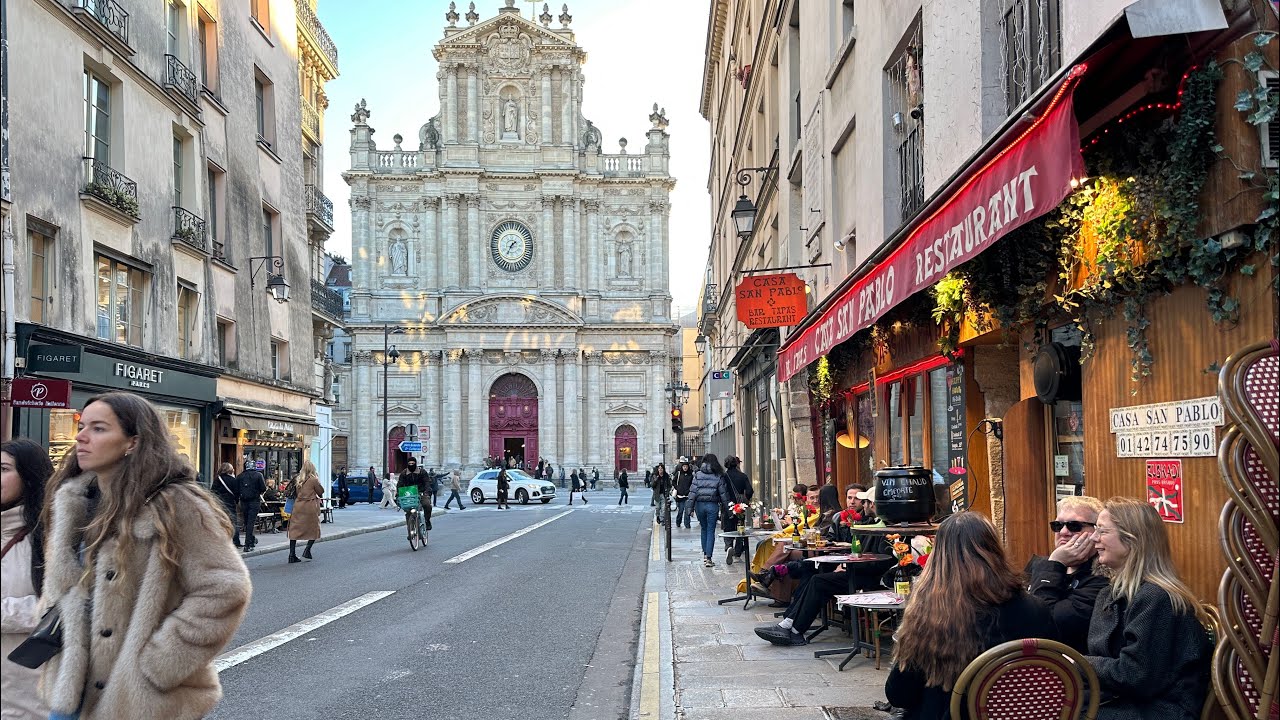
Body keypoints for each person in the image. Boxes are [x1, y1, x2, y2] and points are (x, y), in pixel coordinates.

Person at [39, 391, 251, 720]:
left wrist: (157, 664)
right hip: (73, 691)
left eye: (98, 428)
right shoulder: (75, 503)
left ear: (133, 442)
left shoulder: (175, 504)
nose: (81, 436)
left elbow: (225, 587)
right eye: (82, 426)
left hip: (139, 700)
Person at [880, 512, 1055, 719]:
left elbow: (900, 695)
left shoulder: (930, 616)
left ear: (939, 557)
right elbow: (1051, 675)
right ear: (996, 551)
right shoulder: (1036, 610)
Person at [1085, 497, 1212, 719]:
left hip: (1161, 710)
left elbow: (1136, 676)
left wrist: (1077, 662)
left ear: (1133, 540)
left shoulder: (1157, 597)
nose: (1094, 537)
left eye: (1102, 531)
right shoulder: (1111, 592)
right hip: (1124, 700)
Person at [2, 438, 54, 720]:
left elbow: (66, 609)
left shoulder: (51, 536)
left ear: (29, 476)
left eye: (2, 469)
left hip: (28, 697)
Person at [1025, 495, 1108, 652]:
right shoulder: (1041, 564)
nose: (1063, 532)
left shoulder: (1102, 578)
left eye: (1074, 526)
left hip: (1069, 667)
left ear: (1096, 532)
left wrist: (1055, 563)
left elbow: (1043, 624)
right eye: (1057, 525)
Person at [690, 453, 729, 567]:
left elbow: (692, 492)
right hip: (712, 505)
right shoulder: (718, 475)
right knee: (710, 530)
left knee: (704, 528)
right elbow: (723, 494)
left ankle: (705, 554)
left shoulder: (698, 474)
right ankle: (709, 558)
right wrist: (728, 509)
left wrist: (690, 509)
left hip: (699, 505)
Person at [287, 460, 324, 564]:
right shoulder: (313, 479)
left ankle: (291, 555)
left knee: (294, 530)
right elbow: (321, 492)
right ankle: (307, 550)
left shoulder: (298, 479)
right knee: (314, 528)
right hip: (310, 506)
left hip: (298, 506)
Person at [721, 456, 754, 564]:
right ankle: (738, 550)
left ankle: (729, 545)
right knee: (740, 526)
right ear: (736, 463)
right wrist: (745, 499)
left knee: (728, 525)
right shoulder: (742, 476)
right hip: (740, 505)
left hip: (727, 505)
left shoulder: (724, 476)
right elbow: (749, 490)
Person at [235, 460, 267, 551]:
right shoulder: (258, 475)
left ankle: (251, 540)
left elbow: (236, 490)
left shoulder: (240, 476)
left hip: (243, 501)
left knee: (246, 521)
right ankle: (248, 544)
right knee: (251, 522)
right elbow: (263, 488)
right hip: (254, 500)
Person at [212, 462, 240, 545]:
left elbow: (213, 491)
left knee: (221, 522)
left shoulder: (217, 479)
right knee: (233, 522)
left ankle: (221, 541)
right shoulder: (233, 480)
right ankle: (235, 541)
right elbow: (237, 492)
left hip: (219, 503)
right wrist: (236, 501)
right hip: (230, 503)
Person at [674, 461, 693, 529]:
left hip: (687, 496)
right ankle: (678, 522)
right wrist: (677, 488)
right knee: (680, 510)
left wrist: (689, 490)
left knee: (687, 511)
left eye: (686, 466)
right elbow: (673, 481)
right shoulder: (679, 474)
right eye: (684, 466)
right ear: (682, 467)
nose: (685, 468)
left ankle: (687, 524)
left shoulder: (690, 475)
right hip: (680, 495)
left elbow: (692, 484)